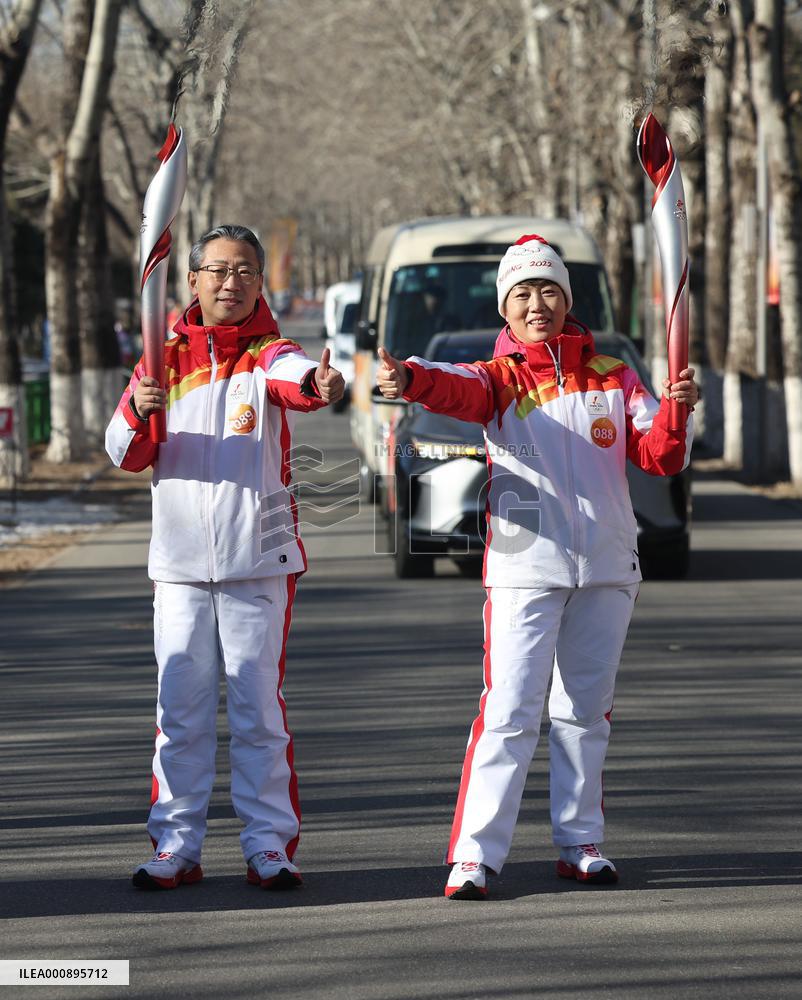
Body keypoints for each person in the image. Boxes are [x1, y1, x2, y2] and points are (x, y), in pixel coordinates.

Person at [376, 234, 698, 900]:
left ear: (566, 298)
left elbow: (660, 457)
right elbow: (450, 388)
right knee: (510, 712)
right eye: (521, 293)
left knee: (585, 714)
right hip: (525, 569)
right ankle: (474, 856)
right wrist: (408, 376)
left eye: (547, 289)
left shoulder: (614, 373)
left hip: (608, 567)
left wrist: (678, 409)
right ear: (505, 307)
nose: (536, 303)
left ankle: (580, 842)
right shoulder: (498, 379)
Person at [105, 224, 344, 892]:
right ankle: (175, 845)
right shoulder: (162, 359)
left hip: (256, 566)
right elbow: (124, 454)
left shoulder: (268, 353)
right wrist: (137, 410)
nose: (230, 283)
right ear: (194, 280)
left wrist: (321, 383)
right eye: (218, 270)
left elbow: (295, 380)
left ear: (259, 282)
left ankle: (269, 845)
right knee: (178, 714)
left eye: (244, 272)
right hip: (179, 569)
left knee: (257, 711)